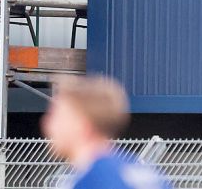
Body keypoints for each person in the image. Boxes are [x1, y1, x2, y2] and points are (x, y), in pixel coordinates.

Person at [41, 75, 171, 189]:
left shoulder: (94, 181)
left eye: (57, 117)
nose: (47, 124)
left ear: (83, 127)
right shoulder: (147, 173)